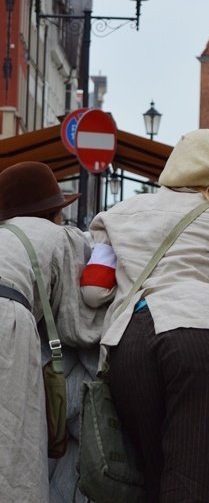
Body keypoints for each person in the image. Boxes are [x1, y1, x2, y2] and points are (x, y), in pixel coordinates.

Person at [81, 129, 209, 501]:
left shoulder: (116, 215)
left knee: (155, 481)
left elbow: (93, 290)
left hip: (128, 347)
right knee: (195, 486)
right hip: (199, 339)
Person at [0, 162, 90, 503]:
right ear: (54, 212)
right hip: (6, 320)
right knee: (13, 449)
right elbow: (74, 324)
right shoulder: (59, 237)